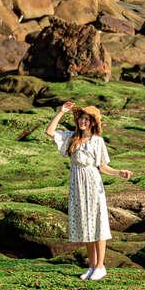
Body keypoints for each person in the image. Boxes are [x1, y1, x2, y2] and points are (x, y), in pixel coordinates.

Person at [44, 101, 131, 280]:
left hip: (92, 184)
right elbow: (49, 132)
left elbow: (103, 167)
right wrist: (61, 112)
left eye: (86, 119)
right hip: (77, 185)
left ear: (92, 122)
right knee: (86, 225)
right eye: (81, 118)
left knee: (97, 224)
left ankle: (101, 266)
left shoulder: (97, 141)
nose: (82, 121)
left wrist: (119, 172)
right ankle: (91, 266)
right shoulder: (72, 137)